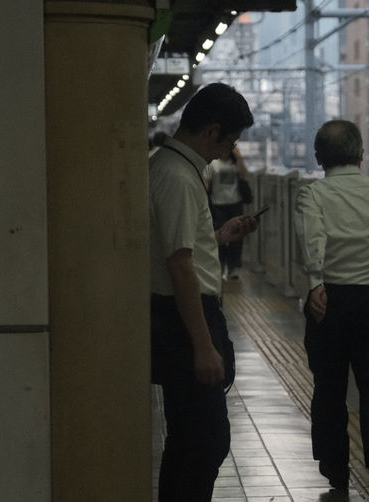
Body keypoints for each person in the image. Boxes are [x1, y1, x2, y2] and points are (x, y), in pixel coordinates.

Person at [294, 119, 369, 502]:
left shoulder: (312, 194)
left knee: (329, 390)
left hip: (328, 304)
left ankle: (337, 471)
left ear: (319, 157)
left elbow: (312, 239)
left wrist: (316, 282)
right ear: (361, 154)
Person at [148, 82, 257, 501]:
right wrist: (203, 345)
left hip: (178, 316)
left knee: (188, 439)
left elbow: (181, 248)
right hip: (183, 320)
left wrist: (219, 236)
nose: (228, 151)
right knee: (206, 440)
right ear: (212, 131)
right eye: (230, 141)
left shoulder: (171, 166)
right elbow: (178, 265)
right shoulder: (177, 176)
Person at [205, 147, 250, 279]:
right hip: (218, 205)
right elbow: (207, 182)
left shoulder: (234, 162)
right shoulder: (213, 163)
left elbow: (244, 174)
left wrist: (239, 157)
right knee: (221, 236)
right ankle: (220, 265)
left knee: (237, 236)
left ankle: (233, 267)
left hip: (235, 203)